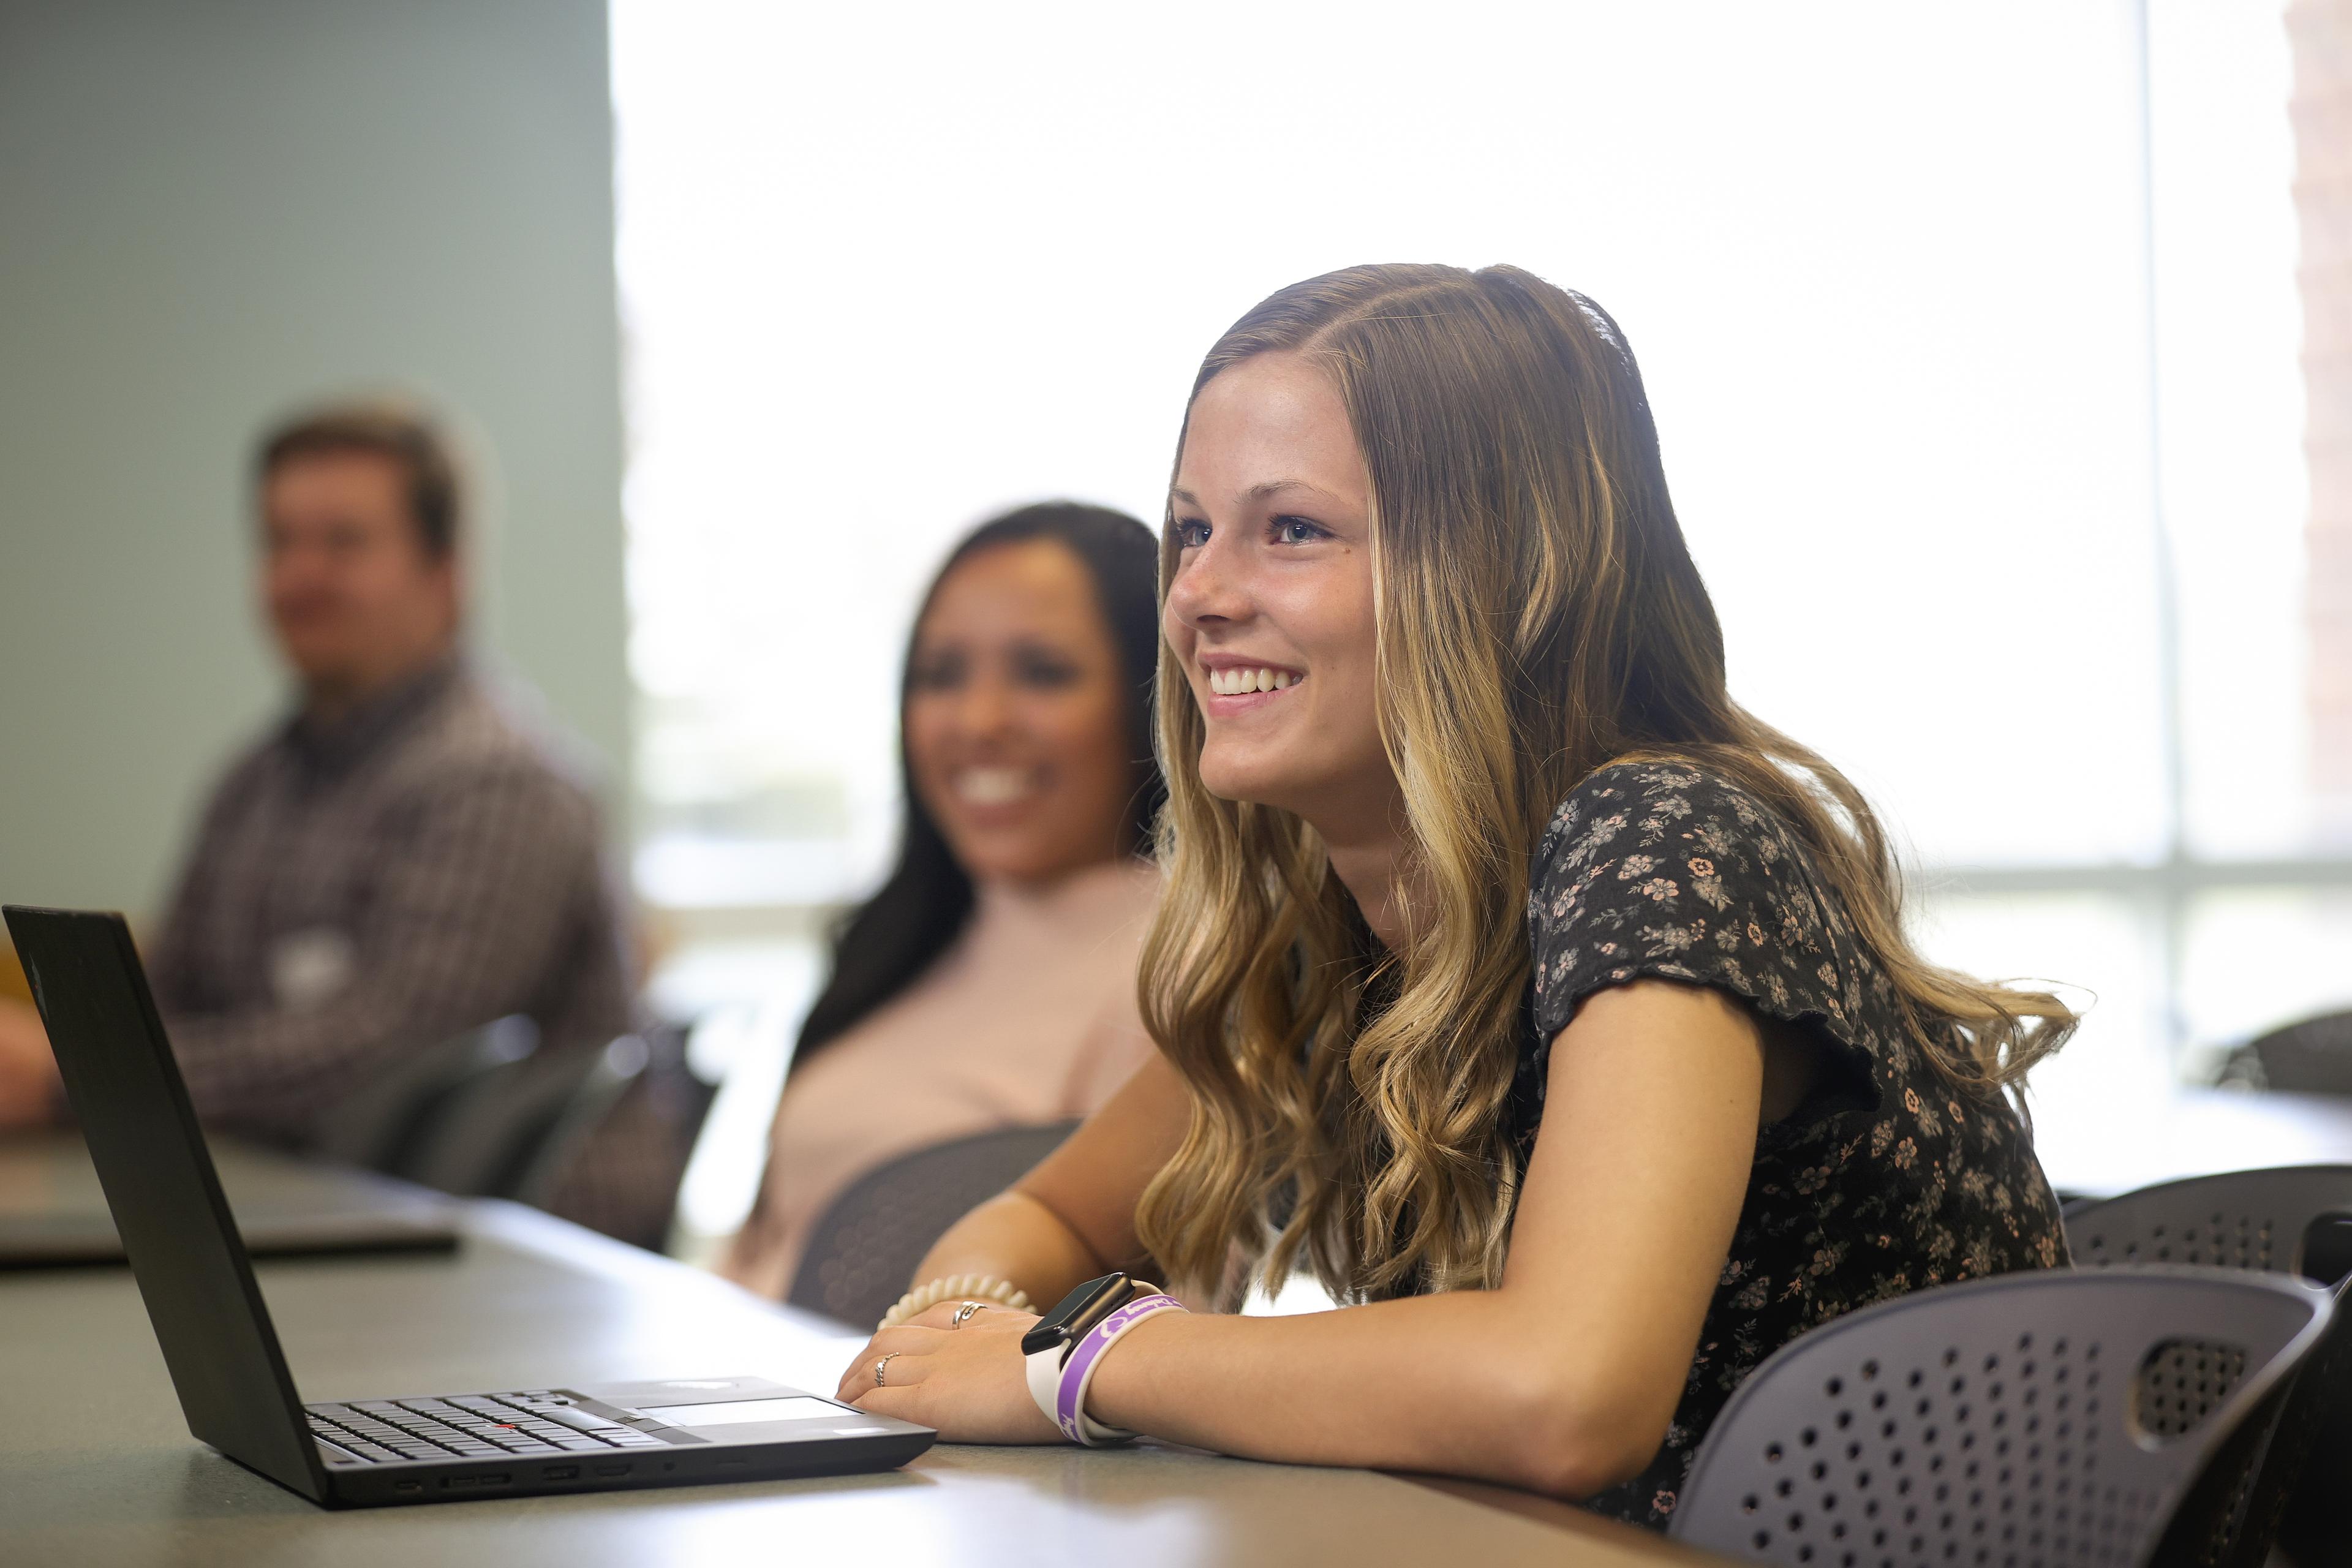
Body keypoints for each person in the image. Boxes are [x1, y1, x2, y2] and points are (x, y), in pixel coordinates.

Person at [829, 264, 2077, 1527]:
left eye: (1293, 530)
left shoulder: (1665, 843)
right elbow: (1048, 1211)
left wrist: (1080, 1364)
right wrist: (956, 1324)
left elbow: (1566, 1387)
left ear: (1492, 572)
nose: (1200, 595)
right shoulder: (1337, 929)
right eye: (1192, 531)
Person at [0, 402, 650, 1234]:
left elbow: (390, 1045)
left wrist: (75, 1079)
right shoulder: (255, 783)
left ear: (444, 573)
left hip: (511, 1251)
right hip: (310, 1212)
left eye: (343, 542)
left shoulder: (499, 781)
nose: (300, 576)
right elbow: (171, 1004)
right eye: (279, 542)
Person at [721, 503, 1166, 1301]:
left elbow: (1163, 1306)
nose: (979, 721)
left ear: (1152, 701)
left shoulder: (1177, 962)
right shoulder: (913, 934)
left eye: (1042, 673)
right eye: (941, 676)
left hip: (917, 1411)